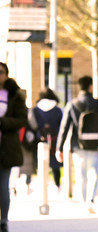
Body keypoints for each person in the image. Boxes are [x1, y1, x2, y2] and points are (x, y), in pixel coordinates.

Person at [55, 76, 98, 211]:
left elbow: (64, 127)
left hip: (78, 145)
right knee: (94, 174)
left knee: (81, 175)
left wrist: (59, 148)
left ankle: (83, 200)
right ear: (90, 87)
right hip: (96, 144)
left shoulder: (72, 104)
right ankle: (90, 200)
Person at [0, 63, 27, 232]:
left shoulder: (15, 95)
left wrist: (3, 122)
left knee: (3, 185)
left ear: (7, 75)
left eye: (1, 72)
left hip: (6, 147)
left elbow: (22, 120)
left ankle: (3, 220)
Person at [29, 88, 64, 189]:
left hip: (40, 139)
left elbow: (32, 124)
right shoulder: (57, 110)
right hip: (54, 140)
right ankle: (58, 185)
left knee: (40, 163)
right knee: (55, 164)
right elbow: (61, 125)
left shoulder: (35, 110)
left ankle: (42, 186)